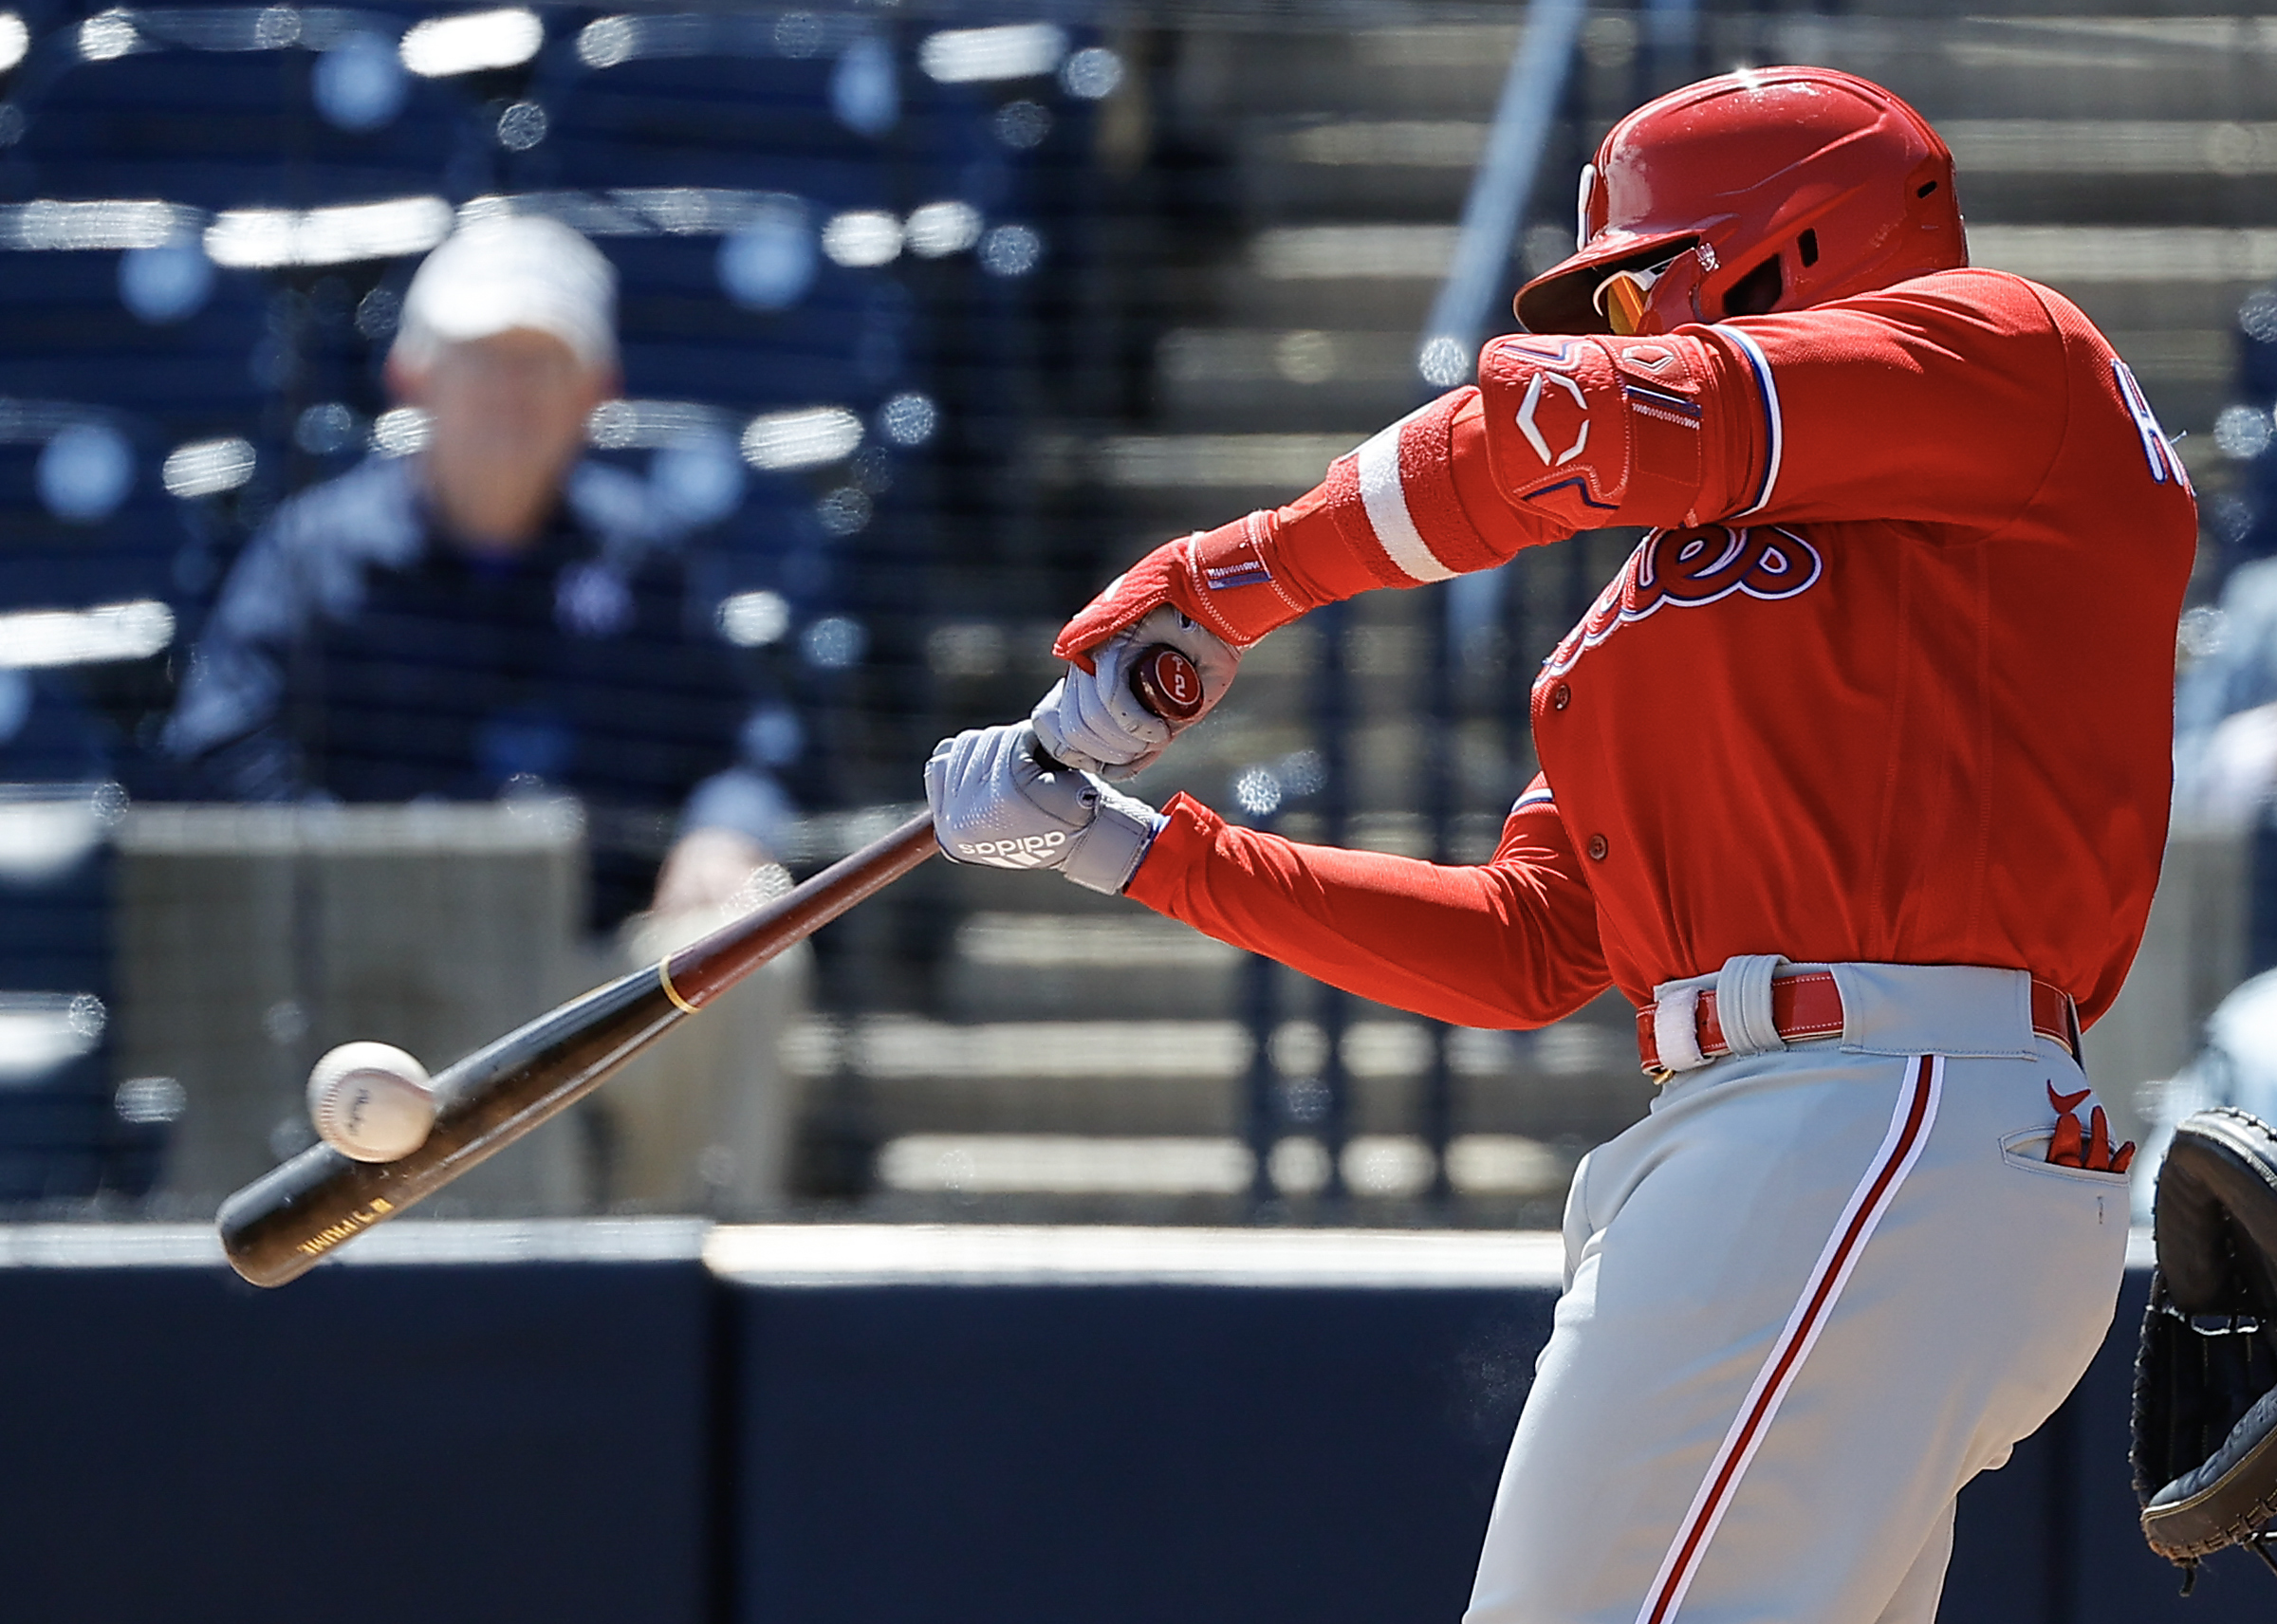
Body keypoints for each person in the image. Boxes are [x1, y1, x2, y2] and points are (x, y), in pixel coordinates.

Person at [926, 67, 2193, 1623]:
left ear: (1803, 242)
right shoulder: (1633, 619)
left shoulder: (2004, 349)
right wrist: (1125, 849)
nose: (1621, 321)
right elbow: (1529, 943)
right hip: (1792, 1134)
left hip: (1885, 1106)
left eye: (1643, 277)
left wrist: (1227, 575)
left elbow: (1553, 424)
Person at [163, 215, 808, 1209]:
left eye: (541, 362)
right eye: (482, 358)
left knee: (753, 936)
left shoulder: (646, 555)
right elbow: (218, 744)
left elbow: (744, 744)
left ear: (598, 393)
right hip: (377, 971)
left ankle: (672, 1288)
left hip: (591, 965)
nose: (510, 391)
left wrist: (723, 833)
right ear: (414, 376)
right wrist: (358, 863)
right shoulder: (314, 554)